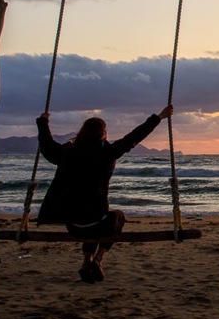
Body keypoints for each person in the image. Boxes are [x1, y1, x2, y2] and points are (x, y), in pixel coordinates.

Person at [36, 104, 173, 283]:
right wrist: (160, 117)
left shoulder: (66, 153)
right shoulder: (108, 153)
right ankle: (99, 258)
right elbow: (134, 137)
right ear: (104, 134)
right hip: (97, 221)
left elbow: (46, 144)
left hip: (73, 224)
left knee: (89, 221)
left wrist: (43, 123)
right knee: (116, 217)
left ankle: (87, 260)